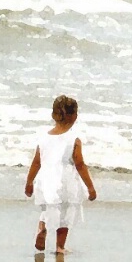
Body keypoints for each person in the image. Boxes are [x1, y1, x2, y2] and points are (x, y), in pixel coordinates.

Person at [25, 95, 96, 253]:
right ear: (75, 116)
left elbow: (36, 162)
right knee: (66, 214)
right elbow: (79, 164)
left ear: (53, 115)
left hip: (46, 181)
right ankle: (60, 246)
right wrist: (90, 187)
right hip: (66, 182)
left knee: (47, 210)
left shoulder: (44, 138)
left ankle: (42, 228)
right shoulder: (74, 139)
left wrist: (29, 183)